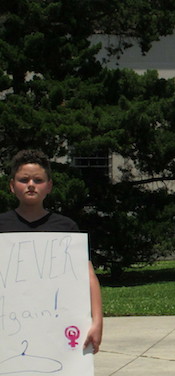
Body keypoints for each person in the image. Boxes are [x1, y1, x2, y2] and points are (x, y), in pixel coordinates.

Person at [0, 149, 104, 354]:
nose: (31, 184)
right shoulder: (1, 225)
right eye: (24, 179)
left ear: (49, 186)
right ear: (12, 186)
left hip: (55, 330)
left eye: (38, 180)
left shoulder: (66, 228)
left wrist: (97, 320)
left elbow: (88, 276)